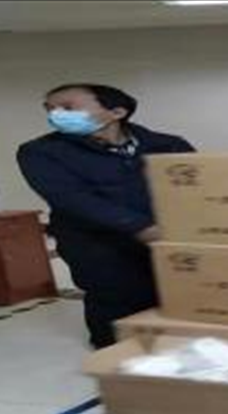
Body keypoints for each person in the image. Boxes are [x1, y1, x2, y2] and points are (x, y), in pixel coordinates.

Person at [17, 84, 195, 348]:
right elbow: (72, 199)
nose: (55, 114)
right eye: (49, 109)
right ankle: (114, 355)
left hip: (167, 235)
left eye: (67, 107)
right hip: (95, 242)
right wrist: (142, 227)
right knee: (117, 299)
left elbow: (197, 189)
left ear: (117, 112)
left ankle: (178, 348)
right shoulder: (41, 152)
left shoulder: (168, 144)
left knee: (177, 294)